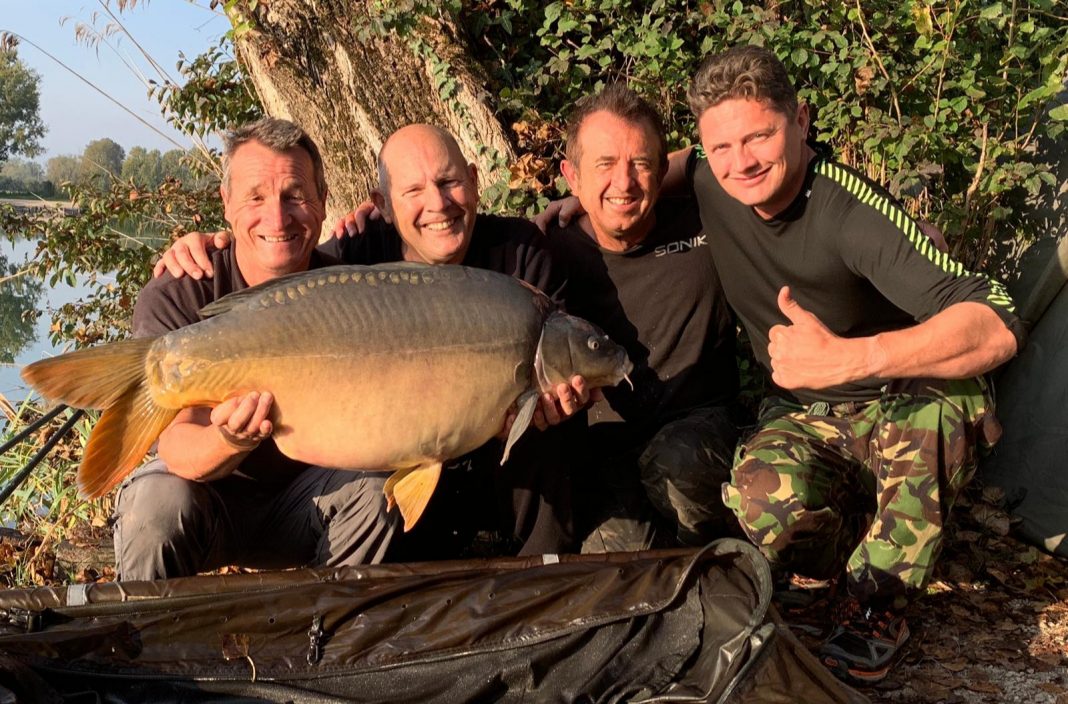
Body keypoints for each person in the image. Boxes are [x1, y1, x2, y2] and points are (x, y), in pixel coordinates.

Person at [152, 123, 591, 560]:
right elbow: (282, 253)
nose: (436, 204)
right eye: (413, 191)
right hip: (300, 485)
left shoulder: (520, 255)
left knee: (545, 443)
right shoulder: (360, 258)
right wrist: (213, 241)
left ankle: (546, 576)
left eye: (449, 182)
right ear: (383, 206)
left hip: (482, 470)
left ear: (474, 182)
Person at [113, 117, 400, 581]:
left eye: (295, 195)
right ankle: (141, 646)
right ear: (225, 204)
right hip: (206, 502)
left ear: (324, 202)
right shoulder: (180, 292)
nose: (278, 218)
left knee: (378, 489)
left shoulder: (355, 289)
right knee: (157, 502)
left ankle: (329, 637)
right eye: (256, 197)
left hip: (309, 504)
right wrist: (229, 439)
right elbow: (181, 450)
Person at [548, 84, 743, 551]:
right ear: (571, 177)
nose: (624, 182)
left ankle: (728, 557)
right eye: (605, 164)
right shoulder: (545, 251)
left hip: (704, 434)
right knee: (618, 565)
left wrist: (892, 234)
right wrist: (371, 224)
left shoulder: (707, 221)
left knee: (677, 462)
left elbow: (757, 155)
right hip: (606, 454)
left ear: (660, 171)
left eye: (640, 163)